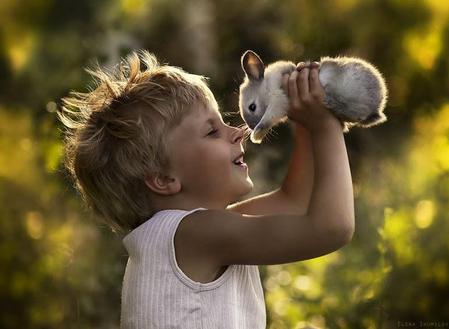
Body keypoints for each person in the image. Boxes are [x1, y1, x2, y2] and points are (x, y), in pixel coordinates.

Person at [57, 50, 355, 329]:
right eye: (212, 131)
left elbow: (296, 202)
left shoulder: (197, 232)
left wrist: (302, 119)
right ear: (163, 179)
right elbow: (332, 228)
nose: (237, 131)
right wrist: (324, 127)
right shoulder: (195, 234)